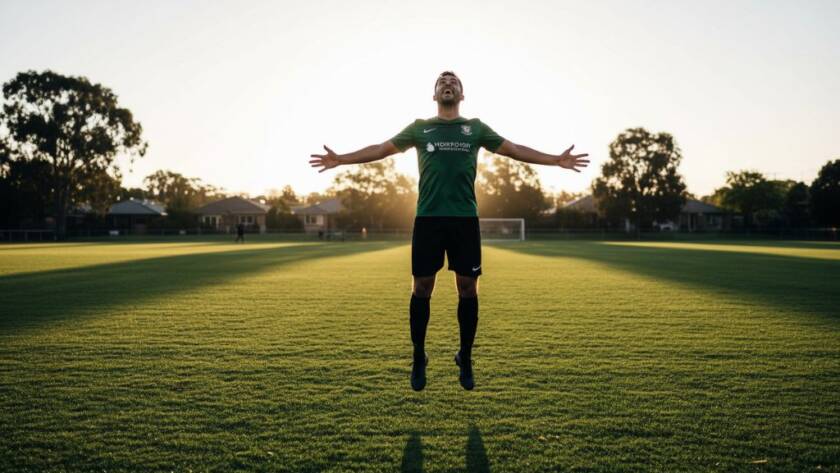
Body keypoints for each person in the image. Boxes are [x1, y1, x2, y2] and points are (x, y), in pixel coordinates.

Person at [309, 71, 589, 391]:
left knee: (468, 288)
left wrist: (556, 160)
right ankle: (418, 356)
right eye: (442, 81)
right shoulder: (419, 128)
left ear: (461, 94)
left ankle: (465, 357)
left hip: (464, 220)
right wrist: (341, 159)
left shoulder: (476, 129)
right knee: (422, 288)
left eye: (453, 81)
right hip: (428, 220)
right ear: (434, 94)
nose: (447, 83)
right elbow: (380, 149)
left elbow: (514, 149)